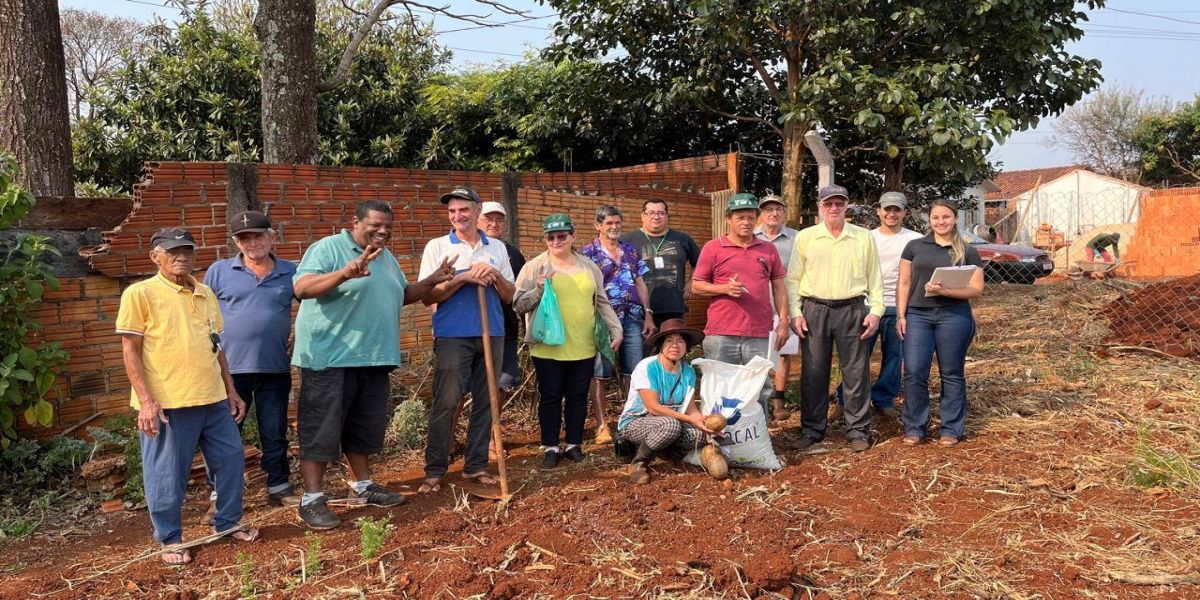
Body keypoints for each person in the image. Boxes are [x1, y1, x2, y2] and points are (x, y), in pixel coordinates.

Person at [292, 200, 454, 530]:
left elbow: (402, 294)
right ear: (355, 221)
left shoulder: (387, 258)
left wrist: (433, 280)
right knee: (321, 430)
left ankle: (362, 486)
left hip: (374, 357)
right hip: (331, 357)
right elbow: (302, 288)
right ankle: (311, 499)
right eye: (376, 225)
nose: (382, 231)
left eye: (388, 227)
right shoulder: (329, 248)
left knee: (363, 429)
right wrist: (346, 272)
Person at [116, 227, 257, 565]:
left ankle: (227, 522)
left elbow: (216, 346)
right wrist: (146, 401)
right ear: (155, 256)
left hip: (212, 399)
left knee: (230, 460)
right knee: (166, 474)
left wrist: (231, 389)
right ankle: (170, 538)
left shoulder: (206, 293)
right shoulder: (141, 293)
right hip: (168, 404)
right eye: (173, 251)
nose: (182, 257)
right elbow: (130, 350)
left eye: (187, 251)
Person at [201, 211, 298, 524]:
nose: (252, 243)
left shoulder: (290, 272)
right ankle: (219, 496)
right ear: (235, 242)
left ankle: (279, 487)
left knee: (274, 430)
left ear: (272, 237)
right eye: (245, 238)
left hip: (274, 367)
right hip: (230, 372)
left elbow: (310, 303)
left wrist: (300, 330)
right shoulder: (219, 271)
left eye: (258, 236)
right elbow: (202, 315)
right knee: (226, 434)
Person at [418, 187, 516, 494]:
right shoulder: (437, 247)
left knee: (486, 401)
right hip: (452, 334)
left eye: (463, 210)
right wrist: (461, 277)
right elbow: (426, 296)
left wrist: (494, 275)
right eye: (452, 211)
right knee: (446, 402)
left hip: (492, 332)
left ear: (476, 212)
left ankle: (475, 466)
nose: (457, 216)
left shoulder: (496, 249)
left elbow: (510, 295)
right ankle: (435, 469)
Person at [513, 214, 622, 471]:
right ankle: (551, 446)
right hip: (547, 347)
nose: (556, 241)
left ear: (572, 236)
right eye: (550, 237)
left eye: (562, 235)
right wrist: (539, 289)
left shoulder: (588, 267)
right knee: (550, 396)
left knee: (577, 396)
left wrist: (615, 329)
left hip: (583, 344)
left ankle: (573, 444)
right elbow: (518, 304)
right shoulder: (535, 266)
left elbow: (602, 301)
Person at [785, 185, 884, 453]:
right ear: (819, 206)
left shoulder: (862, 237)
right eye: (828, 203)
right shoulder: (806, 238)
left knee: (856, 371)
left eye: (839, 203)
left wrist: (875, 311)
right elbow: (792, 279)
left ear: (846, 206)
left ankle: (858, 429)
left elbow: (875, 277)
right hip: (815, 310)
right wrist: (796, 313)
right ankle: (812, 429)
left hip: (852, 309)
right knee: (814, 372)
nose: (834, 208)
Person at [896, 200, 985, 447]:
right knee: (914, 371)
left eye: (946, 217)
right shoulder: (914, 247)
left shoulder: (967, 250)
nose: (941, 222)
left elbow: (976, 288)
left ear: (955, 218)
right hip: (918, 315)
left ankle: (951, 429)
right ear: (929, 220)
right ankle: (915, 427)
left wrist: (946, 291)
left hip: (954, 316)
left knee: (952, 373)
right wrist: (901, 316)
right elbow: (904, 283)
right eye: (935, 217)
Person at [693, 193, 790, 417]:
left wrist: (783, 321)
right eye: (740, 218)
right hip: (721, 332)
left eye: (750, 217)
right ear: (729, 219)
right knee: (719, 386)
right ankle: (718, 440)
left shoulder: (768, 250)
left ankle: (758, 437)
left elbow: (779, 287)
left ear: (757, 219)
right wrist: (723, 289)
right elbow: (697, 286)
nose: (746, 222)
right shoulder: (713, 248)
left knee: (759, 386)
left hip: (758, 331)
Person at [832, 192, 924, 420]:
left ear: (905, 213)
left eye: (897, 210)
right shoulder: (866, 237)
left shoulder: (914, 239)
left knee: (894, 355)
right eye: (887, 209)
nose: (891, 214)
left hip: (898, 306)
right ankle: (846, 399)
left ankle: (883, 398)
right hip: (866, 305)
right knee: (857, 356)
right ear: (878, 211)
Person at [580, 205, 656, 444]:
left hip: (632, 317)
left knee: (632, 372)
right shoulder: (588, 253)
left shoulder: (630, 251)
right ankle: (602, 425)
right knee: (599, 373)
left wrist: (648, 314)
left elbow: (640, 282)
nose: (614, 227)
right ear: (598, 226)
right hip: (602, 320)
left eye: (617, 223)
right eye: (609, 223)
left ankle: (631, 420)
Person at [617, 319, 712, 484]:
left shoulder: (688, 371)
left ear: (686, 346)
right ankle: (639, 462)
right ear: (660, 345)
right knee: (670, 425)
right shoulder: (647, 366)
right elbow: (653, 407)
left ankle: (665, 451)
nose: (675, 345)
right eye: (669, 340)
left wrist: (702, 422)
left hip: (671, 420)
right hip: (637, 421)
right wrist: (690, 420)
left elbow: (690, 408)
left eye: (680, 341)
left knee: (700, 434)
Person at [753, 193, 800, 421]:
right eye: (768, 210)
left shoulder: (797, 238)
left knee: (784, 352)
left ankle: (779, 401)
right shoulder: (749, 237)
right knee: (757, 352)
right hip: (755, 305)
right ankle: (757, 399)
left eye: (778, 210)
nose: (773, 214)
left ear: (784, 213)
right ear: (760, 214)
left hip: (786, 304)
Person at [620, 199, 701, 327]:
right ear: (643, 216)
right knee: (641, 347)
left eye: (661, 213)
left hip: (673, 307)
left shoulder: (682, 239)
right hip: (637, 309)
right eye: (651, 213)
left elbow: (699, 262)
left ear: (667, 216)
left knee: (672, 345)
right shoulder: (626, 240)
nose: (656, 217)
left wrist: (691, 282)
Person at [477, 201, 526, 390]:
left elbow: (519, 293)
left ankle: (493, 421)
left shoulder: (513, 254)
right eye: (488, 219)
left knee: (501, 384)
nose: (494, 224)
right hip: (472, 330)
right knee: (463, 387)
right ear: (477, 219)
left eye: (499, 220)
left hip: (505, 327)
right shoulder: (471, 249)